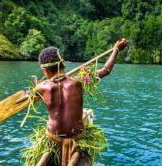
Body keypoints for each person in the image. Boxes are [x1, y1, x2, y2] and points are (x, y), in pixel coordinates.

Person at [22, 38, 129, 166]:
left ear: (45, 71)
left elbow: (33, 97)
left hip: (53, 138)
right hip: (77, 137)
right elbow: (106, 70)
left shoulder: (41, 88)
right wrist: (116, 49)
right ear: (64, 64)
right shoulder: (80, 81)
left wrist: (34, 90)